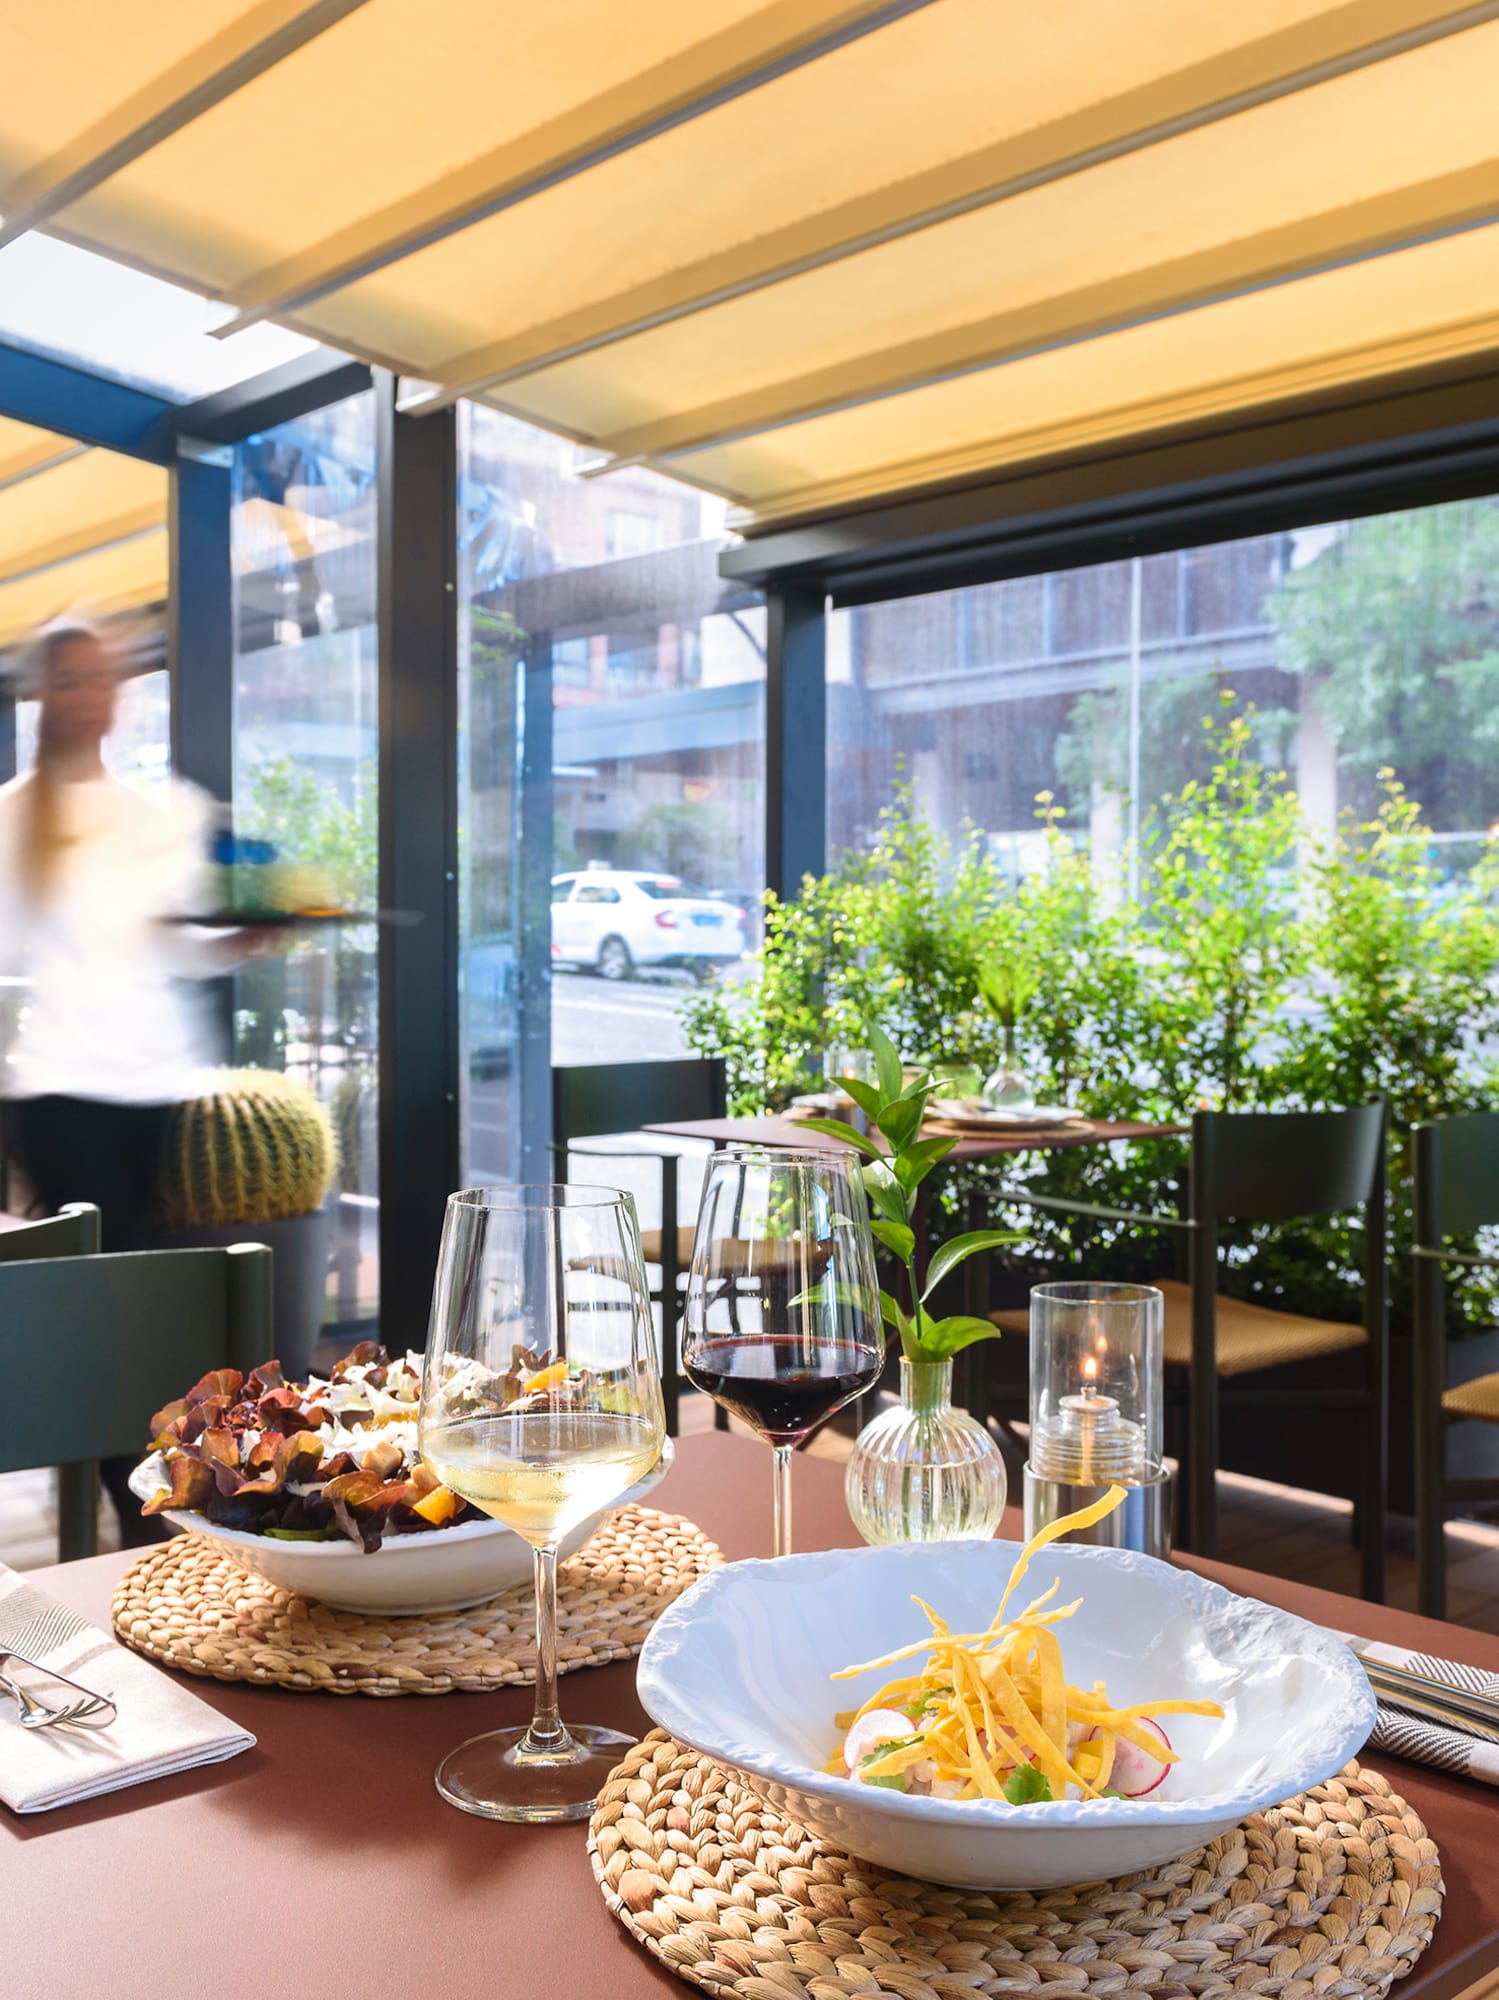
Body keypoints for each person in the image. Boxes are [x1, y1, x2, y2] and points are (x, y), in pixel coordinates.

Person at [0, 618, 252, 1542]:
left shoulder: (160, 811)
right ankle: (129, 1506)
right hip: (63, 1098)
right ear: (42, 694)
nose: (89, 693)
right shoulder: (15, 816)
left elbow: (178, 943)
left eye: (103, 676)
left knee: (141, 1310)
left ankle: (138, 1487)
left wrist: (241, 939)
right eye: (69, 678)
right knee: (108, 1311)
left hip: (155, 1094)